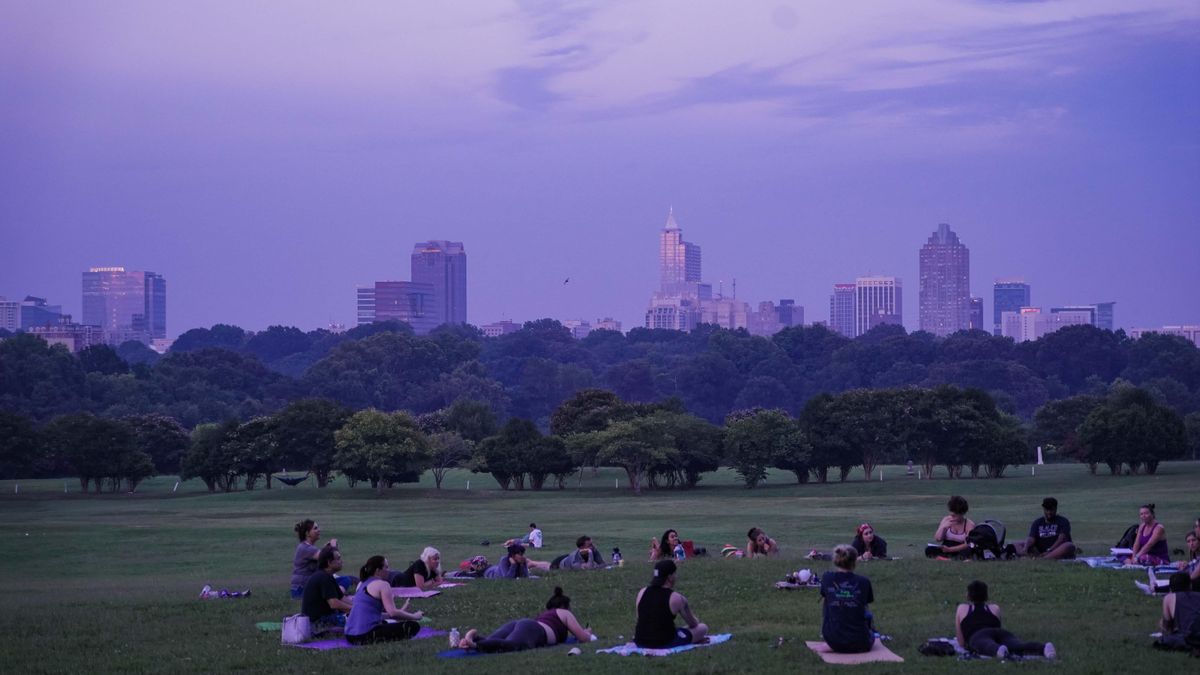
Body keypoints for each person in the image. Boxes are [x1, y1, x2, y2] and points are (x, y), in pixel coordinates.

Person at [458, 586, 593, 652]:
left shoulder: (546, 614)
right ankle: (475, 645)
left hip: (523, 624)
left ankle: (471, 639)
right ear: (564, 606)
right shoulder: (564, 612)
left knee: (493, 640)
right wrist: (587, 633)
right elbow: (583, 638)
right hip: (533, 629)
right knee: (512, 645)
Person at [955, 580, 1055, 659]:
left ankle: (998, 650)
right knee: (1017, 645)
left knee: (985, 644)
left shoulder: (962, 608)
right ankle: (1044, 648)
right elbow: (997, 626)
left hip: (978, 635)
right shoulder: (994, 608)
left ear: (968, 595)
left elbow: (961, 642)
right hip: (999, 633)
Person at [344, 556, 425, 644]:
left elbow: (373, 614)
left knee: (386, 623)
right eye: (386, 567)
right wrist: (415, 616)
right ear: (378, 570)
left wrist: (402, 611)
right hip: (364, 635)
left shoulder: (362, 584)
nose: (389, 570)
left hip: (349, 636)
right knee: (413, 626)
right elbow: (393, 613)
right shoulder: (383, 585)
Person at [634, 560, 709, 648]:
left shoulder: (642, 592)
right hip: (664, 641)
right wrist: (696, 620)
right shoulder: (676, 598)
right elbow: (693, 624)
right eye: (674, 574)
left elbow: (640, 618)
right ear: (670, 577)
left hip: (640, 640)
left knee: (678, 630)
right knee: (703, 627)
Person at [818, 544, 876, 654]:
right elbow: (866, 603)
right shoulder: (864, 582)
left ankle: (835, 637)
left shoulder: (827, 578)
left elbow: (825, 595)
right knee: (867, 613)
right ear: (854, 561)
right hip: (861, 642)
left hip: (832, 640)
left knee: (827, 599)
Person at [301, 547, 354, 629]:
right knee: (358, 619)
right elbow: (334, 604)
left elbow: (342, 598)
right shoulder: (323, 577)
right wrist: (354, 609)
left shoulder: (327, 575)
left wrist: (357, 606)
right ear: (329, 562)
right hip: (318, 621)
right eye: (338, 559)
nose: (341, 561)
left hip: (325, 616)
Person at [290, 519, 340, 598]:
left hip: (303, 586)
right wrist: (333, 547)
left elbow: (323, 557)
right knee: (345, 580)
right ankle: (338, 597)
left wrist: (327, 548)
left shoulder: (305, 546)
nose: (319, 530)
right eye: (315, 528)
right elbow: (330, 557)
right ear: (307, 533)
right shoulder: (306, 548)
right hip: (302, 588)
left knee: (345, 579)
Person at [1157, 572, 1200, 650]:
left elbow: (1167, 626)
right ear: (1190, 585)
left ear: (1170, 587)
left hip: (1191, 638)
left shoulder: (1169, 598)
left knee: (1164, 640)